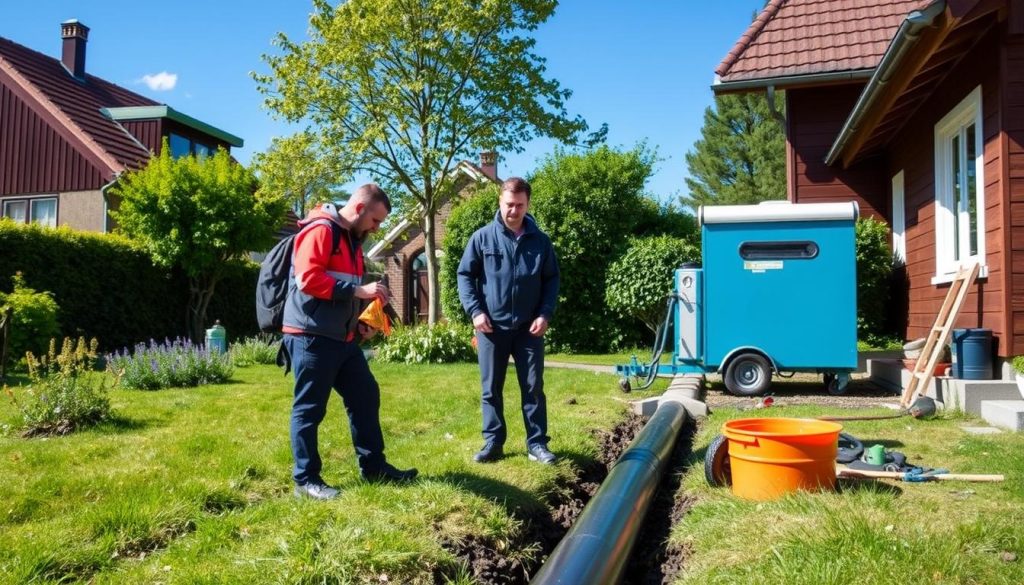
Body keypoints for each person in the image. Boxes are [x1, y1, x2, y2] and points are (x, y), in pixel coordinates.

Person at [282, 183, 417, 500]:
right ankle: (306, 480)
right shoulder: (321, 230)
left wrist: (360, 323)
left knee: (365, 395)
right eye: (376, 220)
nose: (377, 227)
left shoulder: (353, 241)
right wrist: (360, 292)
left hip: (341, 338)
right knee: (310, 408)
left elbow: (343, 290)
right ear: (359, 209)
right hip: (310, 335)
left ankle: (374, 467)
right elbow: (308, 279)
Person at [457, 177, 560, 464]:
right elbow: (465, 275)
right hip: (491, 327)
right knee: (491, 388)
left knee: (533, 387)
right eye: (508, 205)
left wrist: (545, 313)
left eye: (519, 205)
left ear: (527, 205)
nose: (513, 211)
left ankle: (537, 444)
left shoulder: (540, 242)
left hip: (530, 328)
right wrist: (475, 311)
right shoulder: (482, 238)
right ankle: (493, 442)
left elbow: (552, 279)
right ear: (500, 202)